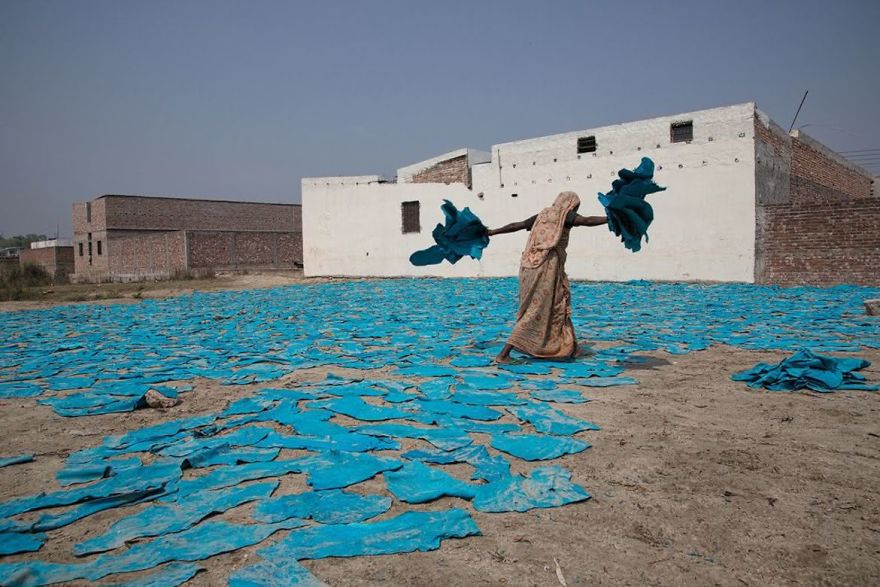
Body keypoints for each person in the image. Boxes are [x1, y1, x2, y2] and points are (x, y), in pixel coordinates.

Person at [486, 191, 608, 363]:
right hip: (546, 268)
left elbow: (516, 225)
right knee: (536, 310)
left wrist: (492, 232)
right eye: (575, 207)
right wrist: (612, 219)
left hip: (529, 267)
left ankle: (571, 347)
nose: (575, 211)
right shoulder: (564, 215)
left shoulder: (542, 216)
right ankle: (504, 354)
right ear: (571, 204)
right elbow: (587, 221)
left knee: (558, 303)